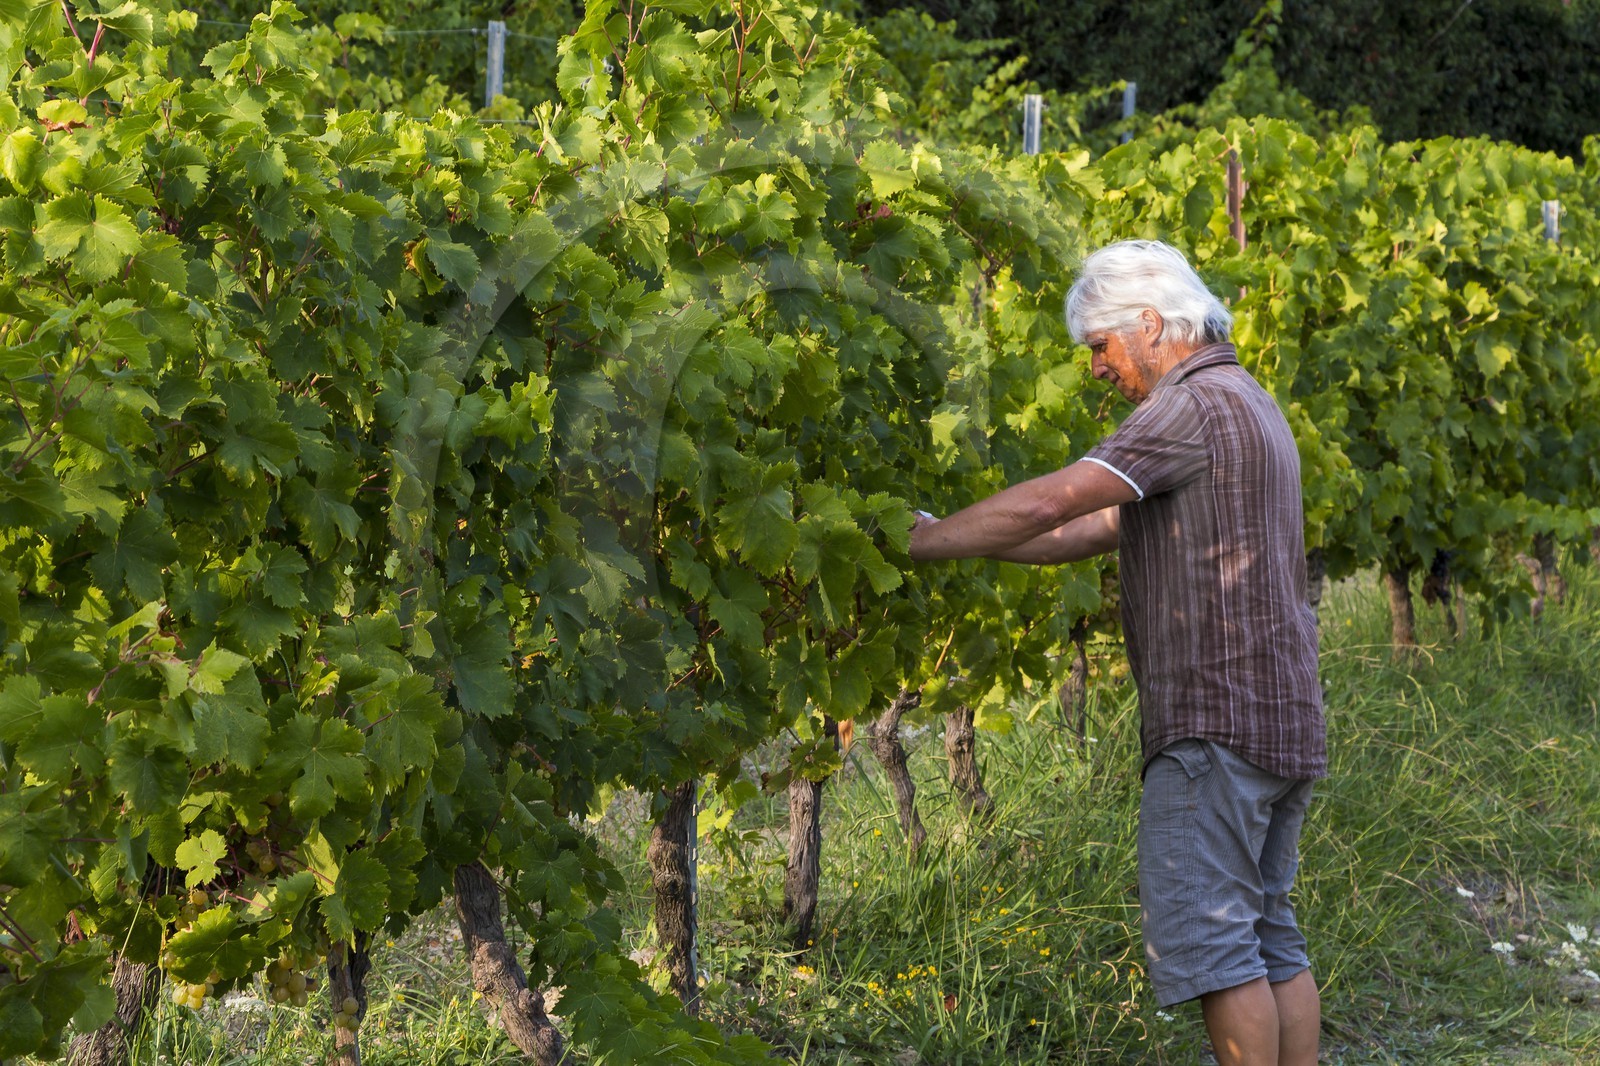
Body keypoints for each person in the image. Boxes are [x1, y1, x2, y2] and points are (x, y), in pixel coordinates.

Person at [908, 239, 1326, 1066]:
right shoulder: (1251, 402)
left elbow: (1057, 496)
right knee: (1269, 934)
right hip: (1282, 718)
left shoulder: (1187, 406)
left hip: (1215, 722)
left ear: (1148, 323)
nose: (1098, 368)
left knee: (1218, 949)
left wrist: (919, 545)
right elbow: (1087, 527)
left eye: (1100, 346)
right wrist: (963, 541)